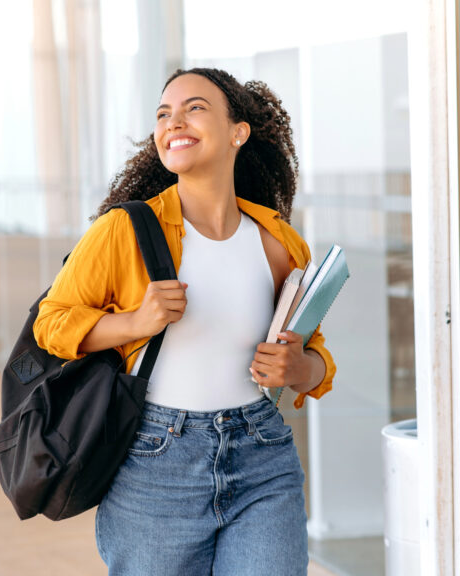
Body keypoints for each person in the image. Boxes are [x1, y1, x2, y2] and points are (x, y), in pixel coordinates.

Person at [33, 67, 336, 576]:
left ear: (238, 131)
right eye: (163, 114)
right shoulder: (122, 231)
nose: (175, 121)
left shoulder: (279, 241)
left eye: (194, 107)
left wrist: (299, 369)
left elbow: (314, 354)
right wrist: (135, 322)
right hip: (156, 462)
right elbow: (52, 323)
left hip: (262, 456)